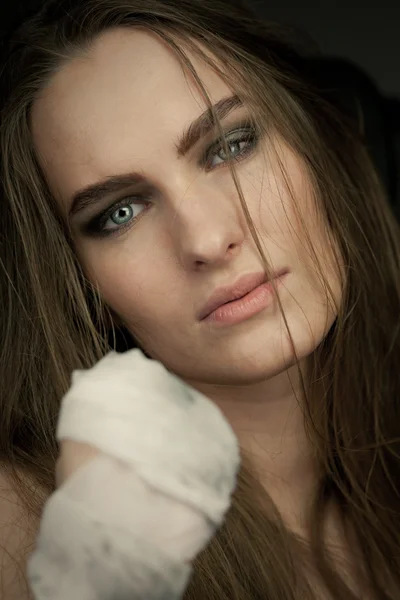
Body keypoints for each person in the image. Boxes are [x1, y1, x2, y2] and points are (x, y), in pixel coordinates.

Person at [0, 0, 399, 598]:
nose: (208, 241)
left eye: (231, 145)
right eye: (120, 213)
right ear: (84, 285)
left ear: (319, 152)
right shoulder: (31, 529)